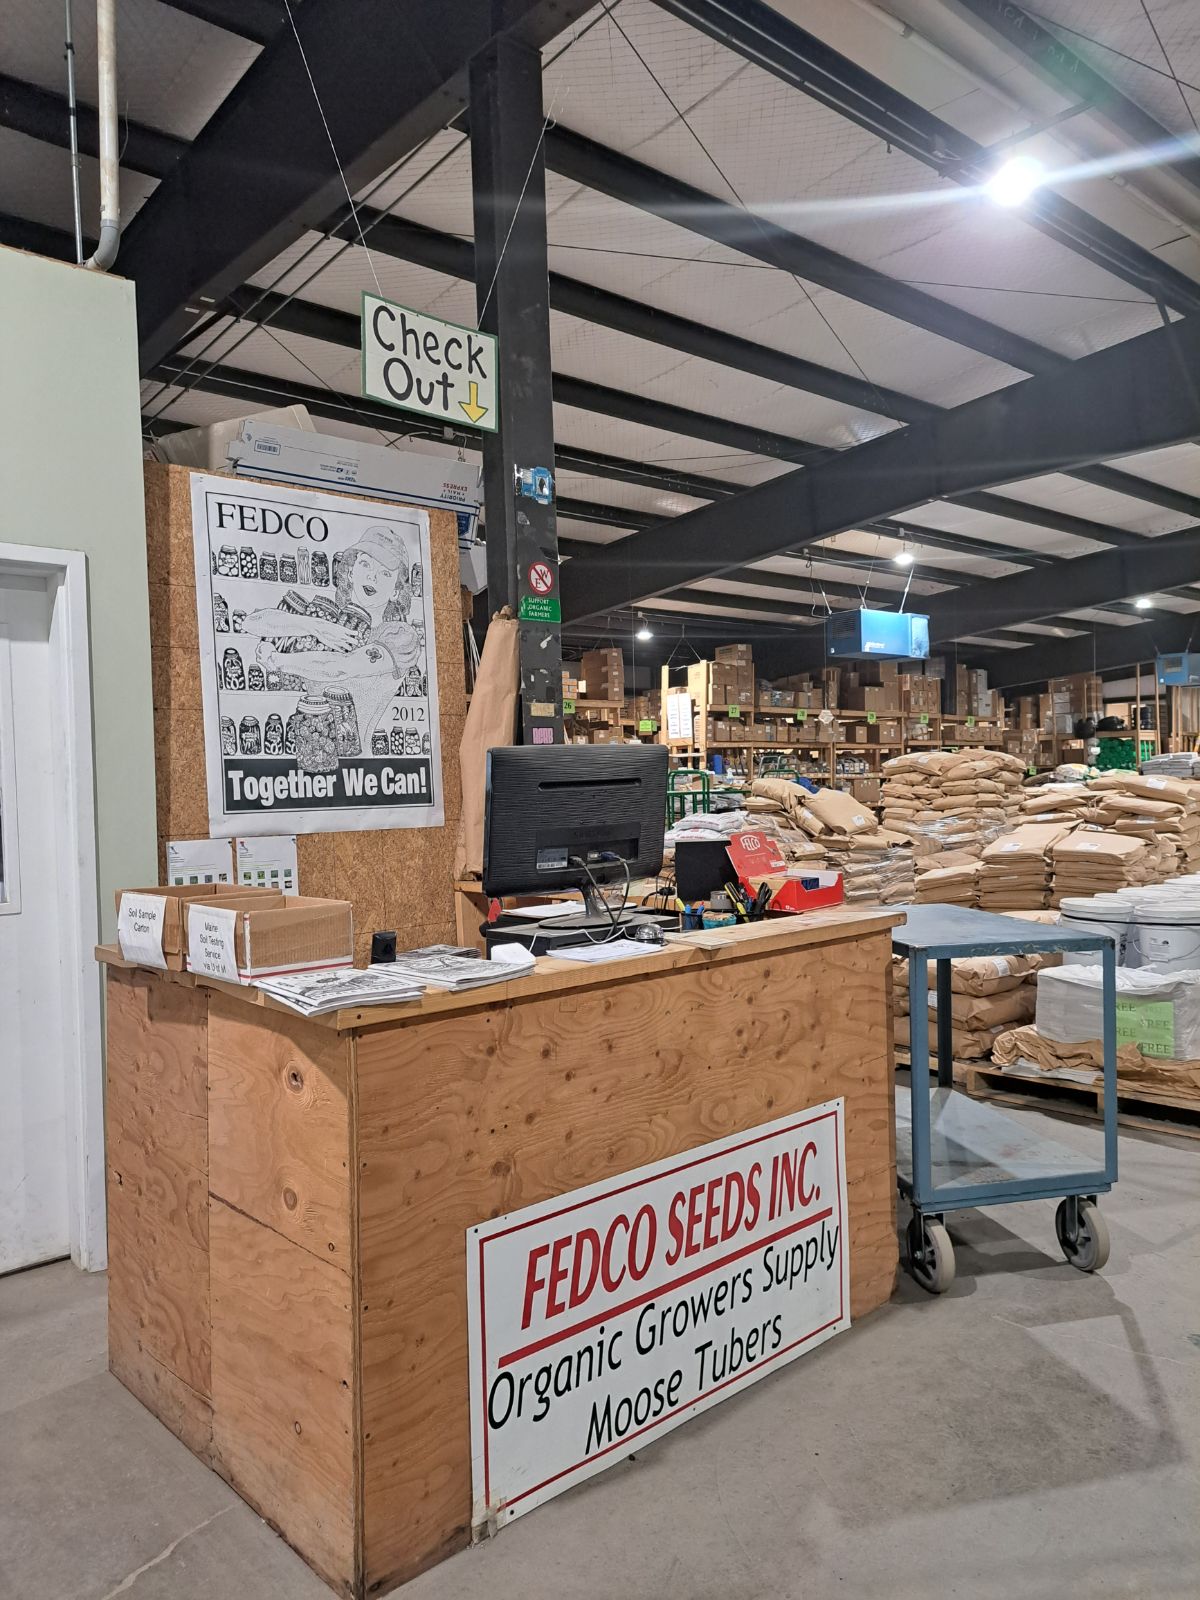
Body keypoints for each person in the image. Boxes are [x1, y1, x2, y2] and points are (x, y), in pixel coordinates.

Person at [240, 525, 422, 748]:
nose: (372, 576)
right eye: (365, 564)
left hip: (357, 764)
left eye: (385, 573)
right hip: (310, 753)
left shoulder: (400, 635)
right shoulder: (330, 620)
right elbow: (253, 622)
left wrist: (278, 660)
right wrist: (315, 626)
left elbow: (342, 667)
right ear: (350, 572)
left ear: (396, 590)